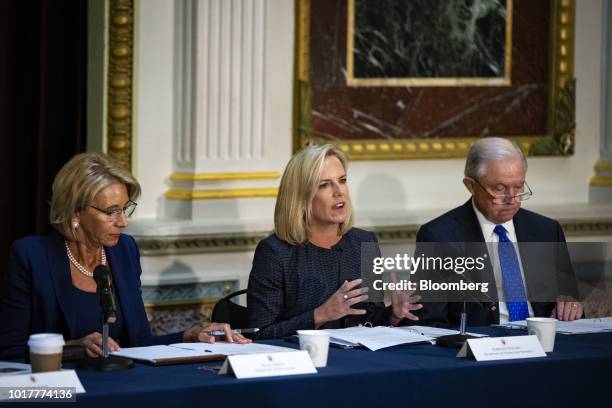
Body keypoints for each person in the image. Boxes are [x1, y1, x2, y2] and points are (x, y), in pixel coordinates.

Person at [0, 152, 249, 359]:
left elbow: (139, 341)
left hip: (118, 384)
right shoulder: (31, 256)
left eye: (125, 209)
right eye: (111, 212)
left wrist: (190, 335)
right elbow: (10, 352)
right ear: (75, 212)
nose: (123, 222)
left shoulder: (124, 250)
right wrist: (73, 348)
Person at [247, 144, 421, 339]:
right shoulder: (275, 252)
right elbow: (260, 333)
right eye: (324, 184)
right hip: (305, 362)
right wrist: (321, 315)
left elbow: (370, 319)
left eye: (342, 180)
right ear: (301, 197)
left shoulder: (364, 242)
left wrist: (393, 315)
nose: (339, 192)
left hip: (358, 361)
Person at [416, 137, 582, 327]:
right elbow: (429, 320)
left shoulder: (546, 230)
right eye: (499, 188)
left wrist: (571, 305)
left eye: (519, 187)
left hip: (546, 342)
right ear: (471, 186)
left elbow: (570, 296)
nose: (511, 198)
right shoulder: (439, 237)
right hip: (482, 347)